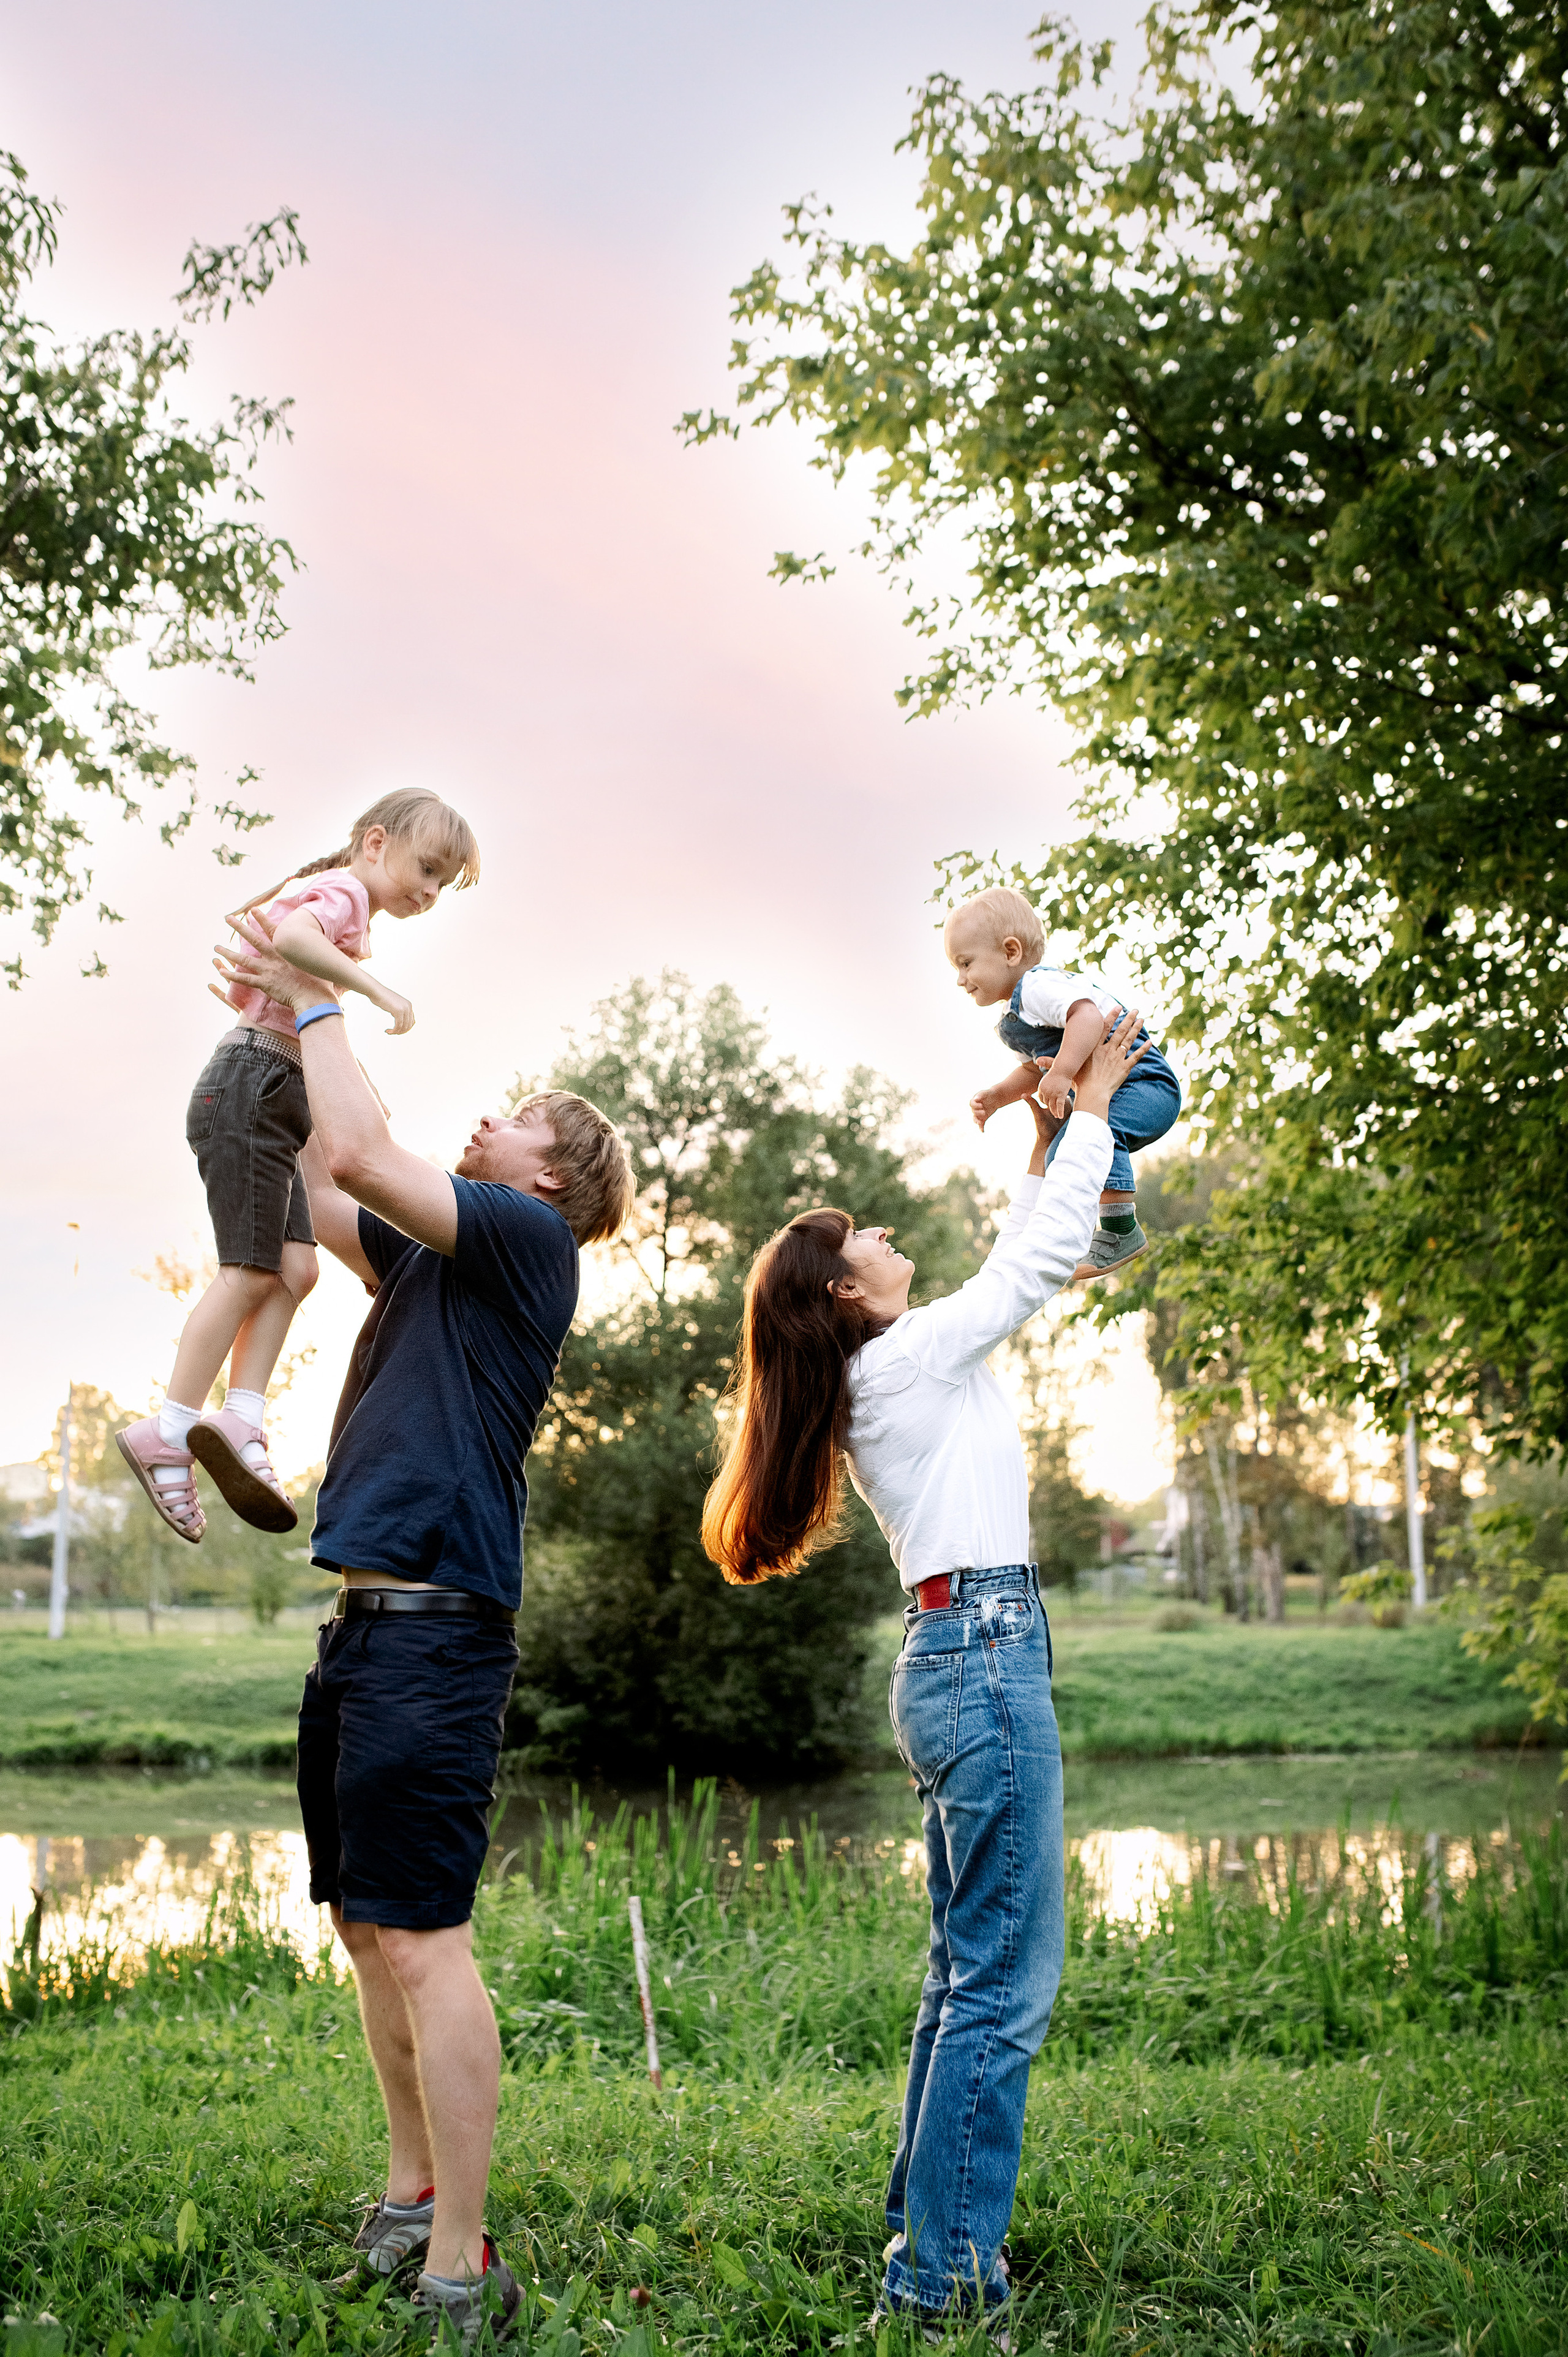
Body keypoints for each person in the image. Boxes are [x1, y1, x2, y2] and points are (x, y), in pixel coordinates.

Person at [211, 909, 635, 2349]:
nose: (485, 1120)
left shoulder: (522, 1243)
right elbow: (322, 1197)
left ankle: (461, 2251)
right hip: (363, 1621)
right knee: (360, 1925)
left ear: (554, 1174)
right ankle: (406, 2191)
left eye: (510, 1117)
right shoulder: (436, 1260)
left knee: (427, 1941)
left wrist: (318, 983)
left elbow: (364, 1154)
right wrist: (268, 1041)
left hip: (439, 1630)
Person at [701, 1010, 1148, 2332]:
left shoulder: (891, 1368)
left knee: (965, 1977)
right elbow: (1033, 1264)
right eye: (870, 1242)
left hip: (956, 1653)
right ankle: (940, 2272)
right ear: (847, 1293)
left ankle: (925, 2228)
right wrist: (1094, 1113)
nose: (891, 1239)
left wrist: (1048, 1118)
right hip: (982, 1655)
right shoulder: (901, 1359)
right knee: (1001, 1989)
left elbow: (1020, 1255)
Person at [116, 789, 480, 1542]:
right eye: (428, 868)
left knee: (296, 1269)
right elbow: (295, 939)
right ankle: (170, 1428)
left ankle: (242, 1418)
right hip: (251, 1087)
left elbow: (296, 976)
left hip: (275, 1094)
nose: (432, 890)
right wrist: (373, 986)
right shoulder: (345, 893)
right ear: (375, 843)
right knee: (249, 1270)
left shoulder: (351, 902)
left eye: (445, 882)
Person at [944, 884, 1182, 1281]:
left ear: (1011, 951)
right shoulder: (1014, 1018)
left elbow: (1086, 1018)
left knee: (1088, 1139)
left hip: (1144, 1083)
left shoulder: (1038, 987)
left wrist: (1063, 1072)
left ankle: (1121, 1230)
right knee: (1064, 1157)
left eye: (965, 963)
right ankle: (1083, 1236)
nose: (960, 978)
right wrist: (999, 1096)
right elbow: (1033, 1070)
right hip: (1119, 1089)